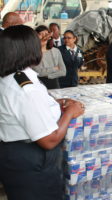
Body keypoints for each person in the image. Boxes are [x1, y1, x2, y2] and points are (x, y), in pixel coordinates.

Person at [0, 25, 85, 200]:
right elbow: (49, 140)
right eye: (38, 43)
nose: (42, 46)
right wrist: (70, 112)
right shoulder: (26, 89)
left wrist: (54, 103)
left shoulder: (10, 77)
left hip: (14, 157)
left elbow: (21, 108)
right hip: (32, 162)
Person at [32, 25, 66, 89]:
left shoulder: (56, 51)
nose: (44, 36)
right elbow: (39, 72)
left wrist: (48, 76)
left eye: (46, 34)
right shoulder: (32, 53)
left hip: (55, 85)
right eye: (40, 34)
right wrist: (55, 68)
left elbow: (63, 71)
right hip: (38, 85)